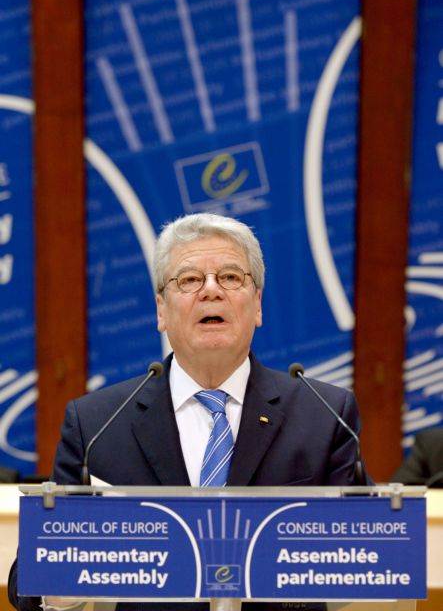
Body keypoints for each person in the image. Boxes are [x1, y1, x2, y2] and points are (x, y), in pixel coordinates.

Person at [9, 212, 370, 611]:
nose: (211, 291)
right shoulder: (96, 424)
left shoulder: (325, 415)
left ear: (257, 305)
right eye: (189, 280)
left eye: (230, 277)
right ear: (161, 310)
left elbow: (370, 553)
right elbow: (28, 581)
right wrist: (63, 582)